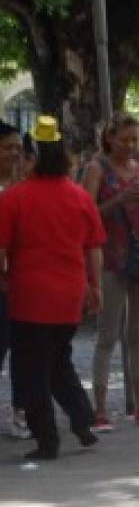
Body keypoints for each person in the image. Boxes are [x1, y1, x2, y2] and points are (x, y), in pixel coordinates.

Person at [0, 117, 103, 461]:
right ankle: (83, 420)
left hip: (29, 296)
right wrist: (95, 286)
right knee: (59, 360)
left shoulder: (14, 199)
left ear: (32, 157)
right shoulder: (79, 197)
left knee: (31, 369)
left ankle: (47, 440)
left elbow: (2, 249)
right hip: (70, 293)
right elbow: (93, 247)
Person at [80, 111, 139, 430]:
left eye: (134, 139)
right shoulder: (96, 168)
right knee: (107, 333)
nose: (130, 146)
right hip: (111, 257)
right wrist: (120, 199)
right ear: (109, 138)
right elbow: (86, 215)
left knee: (138, 333)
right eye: (124, 139)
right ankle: (100, 409)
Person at [0, 120, 29, 439]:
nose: (14, 153)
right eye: (8, 147)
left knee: (22, 348)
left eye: (17, 148)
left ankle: (21, 410)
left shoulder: (23, 187)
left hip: (21, 279)